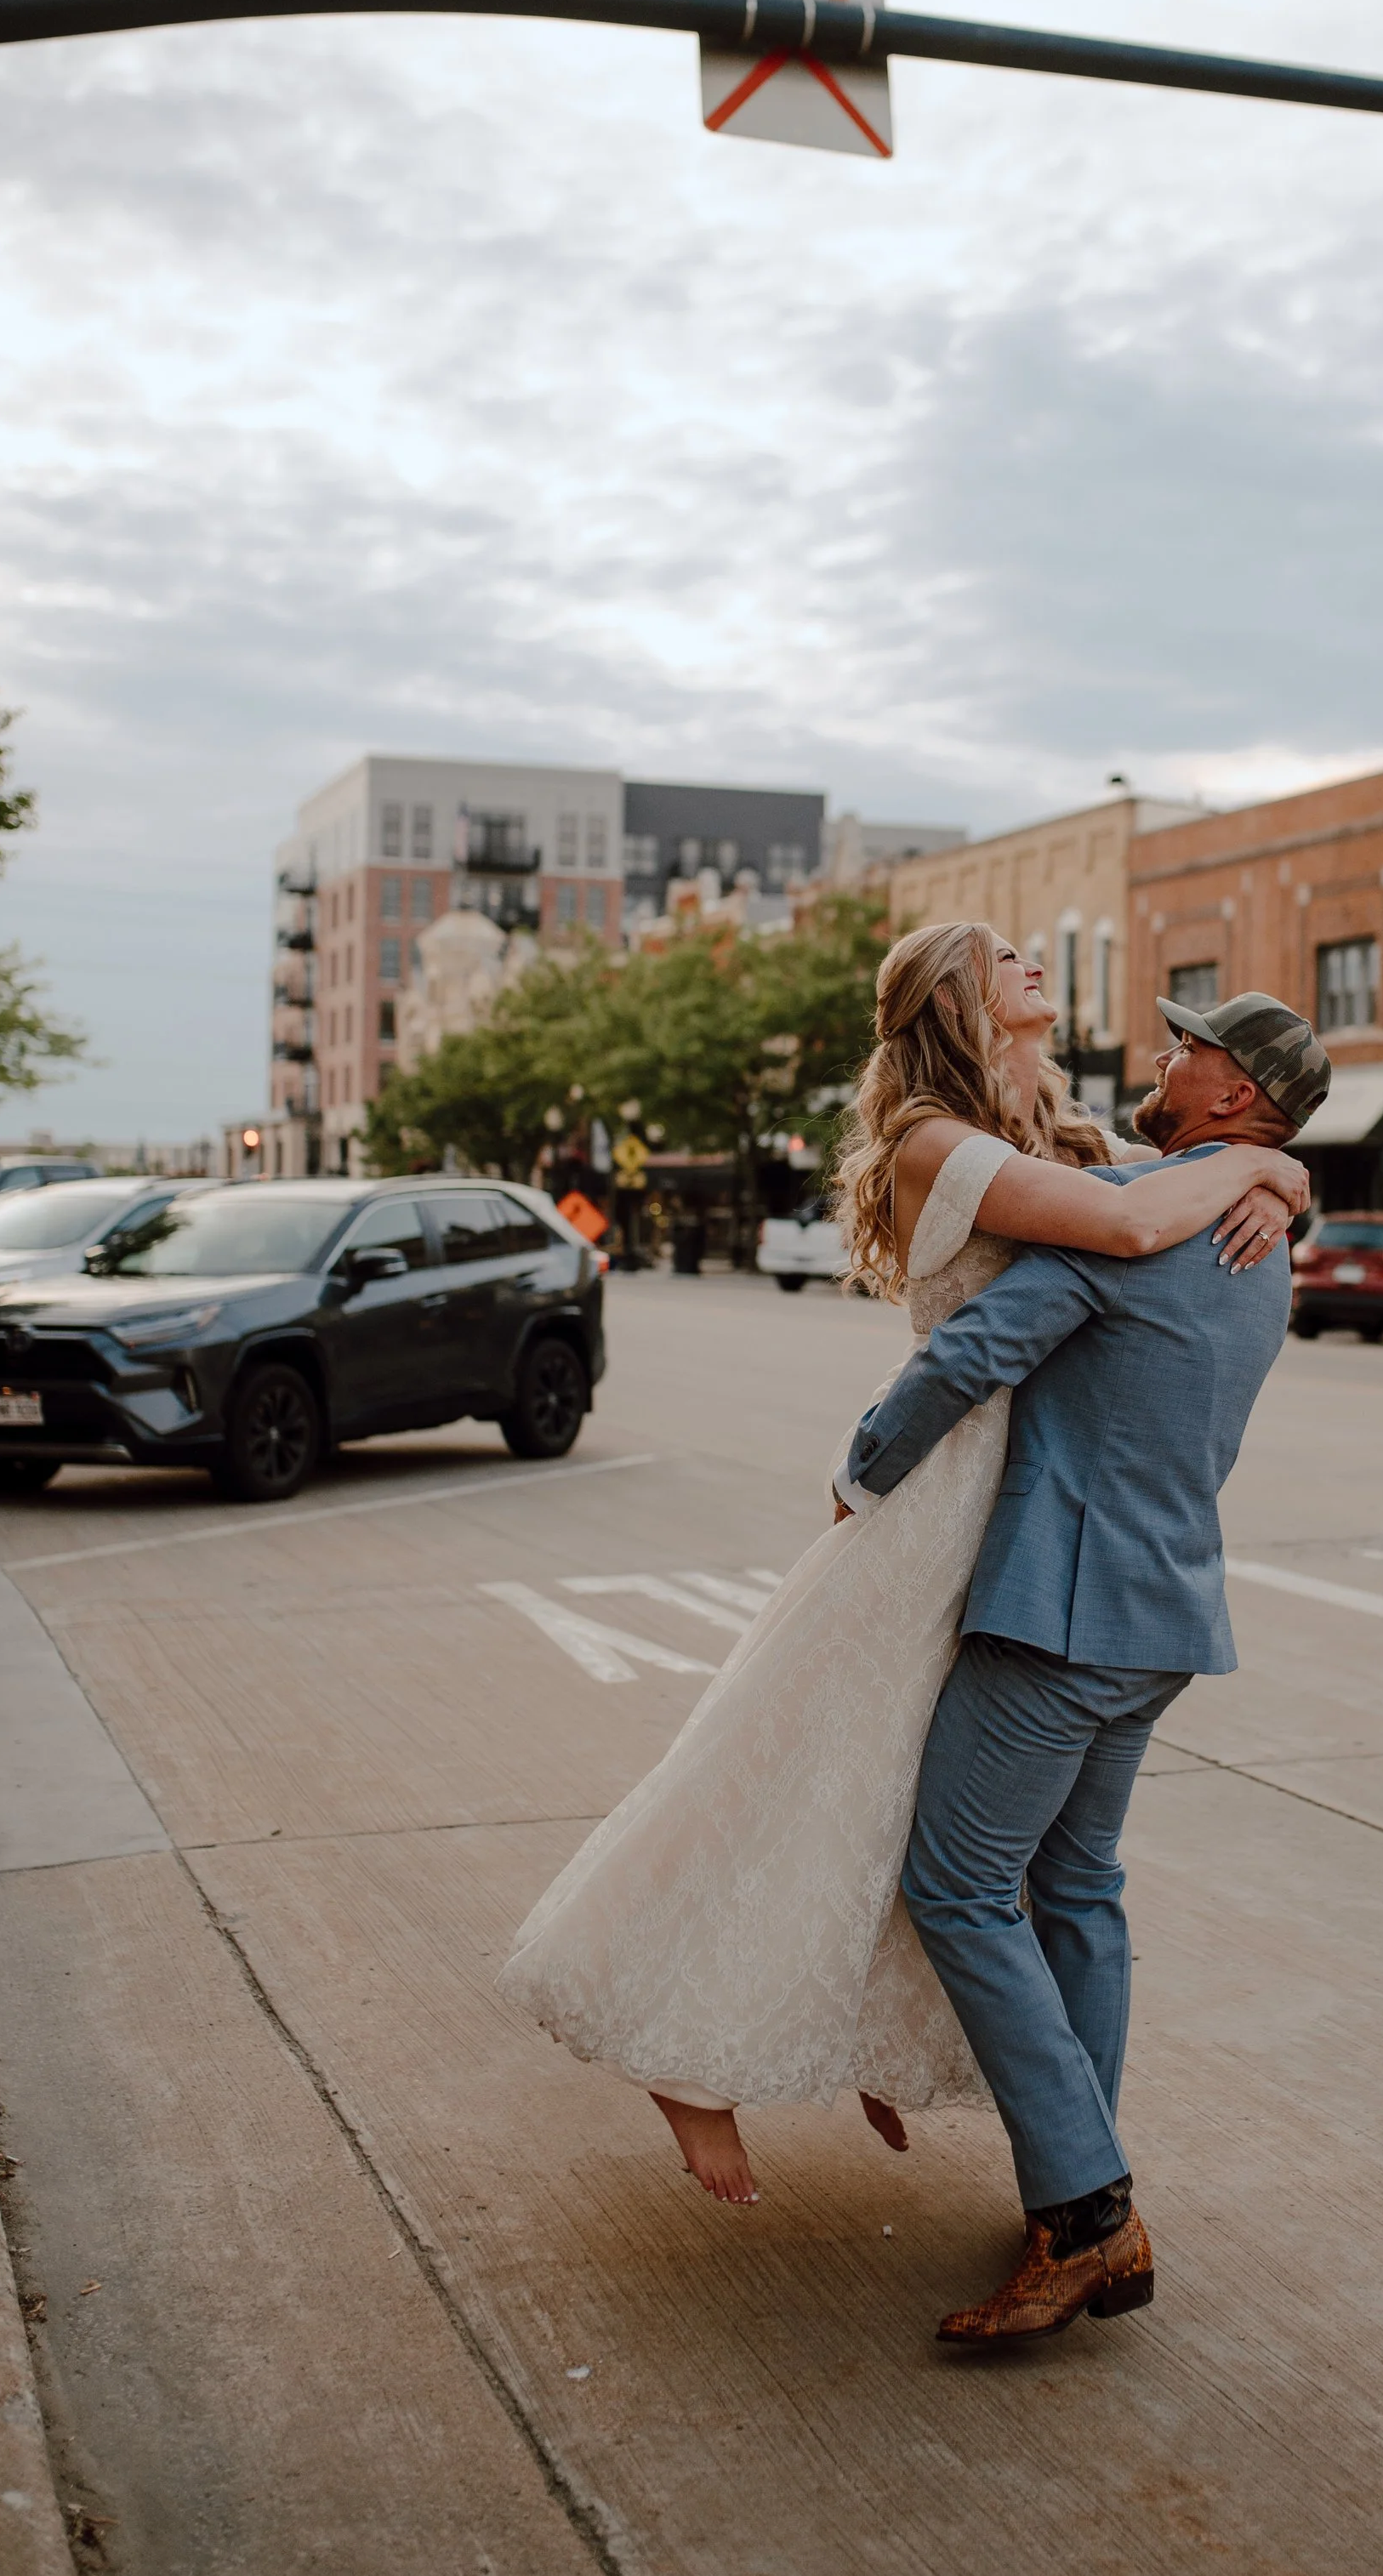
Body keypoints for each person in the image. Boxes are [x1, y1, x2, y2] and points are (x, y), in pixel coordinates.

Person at [497, 926, 1309, 2206]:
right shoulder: (940, 1138)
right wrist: (1267, 1166)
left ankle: (1011, 2138)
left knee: (911, 1815)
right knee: (811, 1778)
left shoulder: (1072, 1127)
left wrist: (1270, 1175)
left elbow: (1157, 1200)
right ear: (952, 997)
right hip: (942, 1494)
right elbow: (1130, 1227)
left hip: (1028, 1513)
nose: (1038, 959)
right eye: (1007, 956)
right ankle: (683, 2052)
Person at [833, 985, 1331, 2344]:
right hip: (1166, 1609)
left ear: (1235, 1095)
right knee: (1076, 1890)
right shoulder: (1253, 1230)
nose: (1164, 1060)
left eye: (1191, 1050)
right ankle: (1078, 2180)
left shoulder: (1152, 1221)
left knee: (958, 1884)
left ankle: (1090, 2215)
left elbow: (980, 1350)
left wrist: (861, 1469)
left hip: (1063, 1613)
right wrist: (1289, 1179)